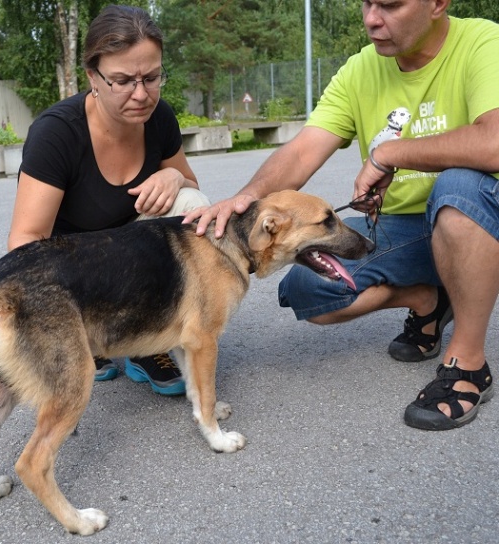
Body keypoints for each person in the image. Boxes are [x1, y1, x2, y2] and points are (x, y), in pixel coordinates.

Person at [185, 0, 499, 430]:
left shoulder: (483, 43)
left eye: (390, 5)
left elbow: (494, 142)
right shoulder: (360, 69)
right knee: (307, 285)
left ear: (438, 4)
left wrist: (390, 153)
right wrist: (249, 199)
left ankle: (468, 364)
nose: (371, 19)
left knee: (458, 188)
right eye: (367, 3)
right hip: (408, 230)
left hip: (479, 222)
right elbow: (302, 151)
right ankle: (428, 299)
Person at [8, 5, 210, 396]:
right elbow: (24, 241)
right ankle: (89, 335)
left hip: (130, 254)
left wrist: (173, 176)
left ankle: (150, 339)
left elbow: (191, 188)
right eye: (122, 81)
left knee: (191, 204)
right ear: (92, 77)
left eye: (151, 77)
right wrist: (59, 316)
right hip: (76, 267)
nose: (141, 94)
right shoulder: (57, 133)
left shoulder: (159, 117)